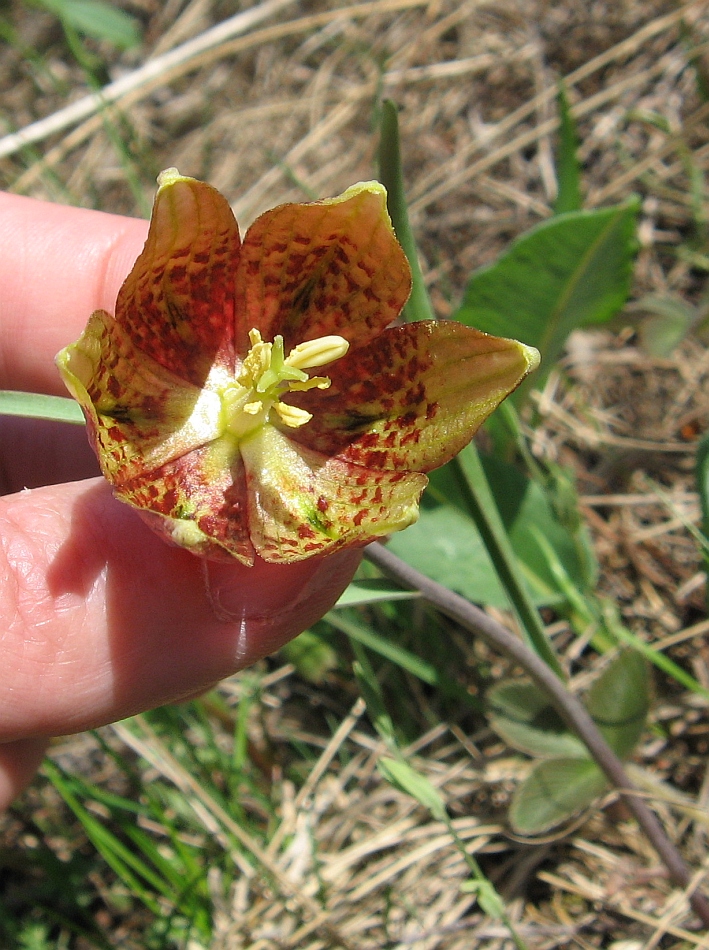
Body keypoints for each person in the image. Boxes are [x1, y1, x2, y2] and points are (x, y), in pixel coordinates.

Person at [0, 191, 360, 809]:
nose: (264, 379)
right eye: (260, 376)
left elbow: (459, 381)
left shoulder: (347, 495)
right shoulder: (115, 385)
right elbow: (90, 362)